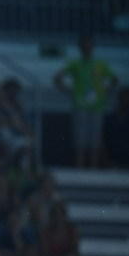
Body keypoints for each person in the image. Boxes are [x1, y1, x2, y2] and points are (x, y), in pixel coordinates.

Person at [53, 34, 118, 167]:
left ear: (93, 47)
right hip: (80, 105)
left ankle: (93, 168)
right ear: (80, 47)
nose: (87, 48)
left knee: (95, 138)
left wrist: (105, 92)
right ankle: (80, 167)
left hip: (97, 106)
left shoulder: (100, 64)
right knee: (80, 139)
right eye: (84, 45)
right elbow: (57, 78)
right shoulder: (75, 64)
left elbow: (114, 80)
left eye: (89, 45)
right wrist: (69, 91)